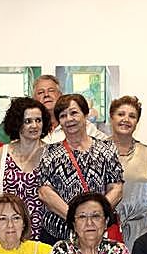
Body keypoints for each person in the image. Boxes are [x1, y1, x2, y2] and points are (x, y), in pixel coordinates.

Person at [36, 94, 124, 245]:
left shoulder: (106, 149)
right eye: (63, 116)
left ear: (85, 115)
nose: (69, 119)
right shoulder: (50, 152)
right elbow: (45, 192)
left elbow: (117, 189)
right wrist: (76, 218)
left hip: (97, 235)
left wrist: (95, 217)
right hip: (57, 236)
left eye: (74, 113)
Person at [0, 97, 47, 240]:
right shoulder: (1, 154)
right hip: (8, 232)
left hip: (42, 232)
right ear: (17, 123)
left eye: (38, 120)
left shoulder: (51, 154)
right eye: (28, 121)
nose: (34, 125)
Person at [109, 96, 147, 250]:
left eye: (132, 116)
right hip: (107, 229)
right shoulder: (98, 151)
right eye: (121, 114)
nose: (126, 119)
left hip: (141, 230)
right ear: (111, 117)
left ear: (137, 122)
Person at [36, 74, 109, 144]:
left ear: (60, 94)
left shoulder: (81, 124)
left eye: (51, 90)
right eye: (40, 92)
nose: (46, 95)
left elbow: (109, 147)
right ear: (34, 99)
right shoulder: (31, 128)